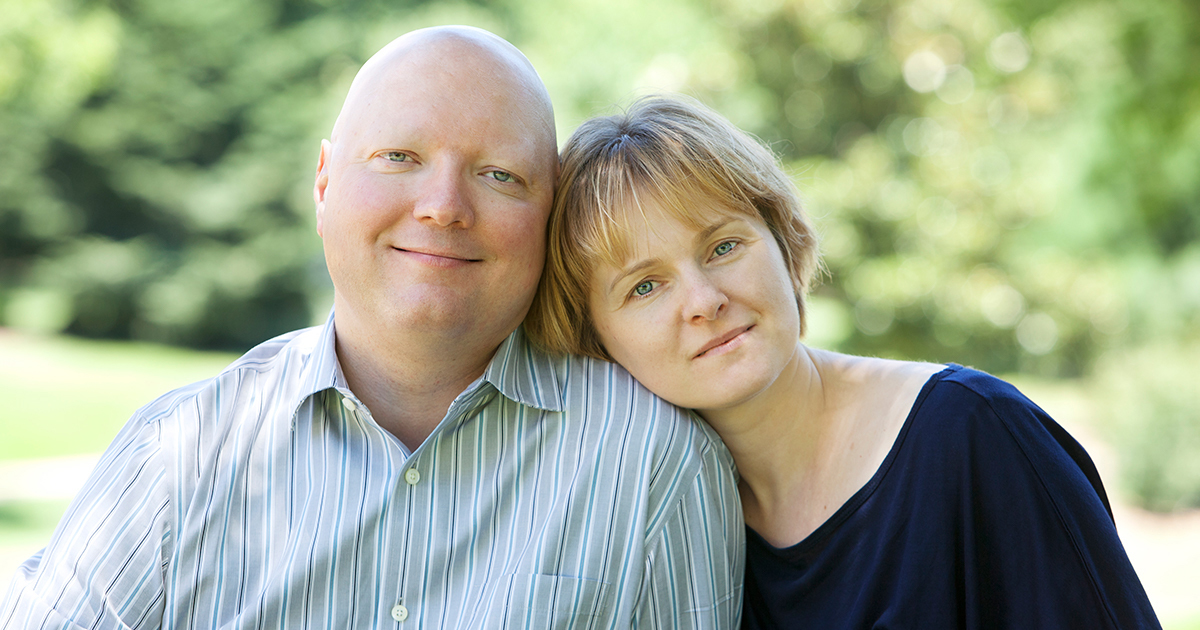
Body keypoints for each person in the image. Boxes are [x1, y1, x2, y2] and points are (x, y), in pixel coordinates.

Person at [0, 30, 743, 629]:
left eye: (499, 176)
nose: (443, 206)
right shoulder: (177, 457)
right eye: (399, 158)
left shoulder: (655, 463)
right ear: (323, 185)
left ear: (548, 216)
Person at [525, 94, 1162, 629]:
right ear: (593, 337)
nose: (704, 301)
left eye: (723, 246)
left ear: (782, 238)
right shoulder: (662, 519)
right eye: (645, 286)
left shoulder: (975, 434)